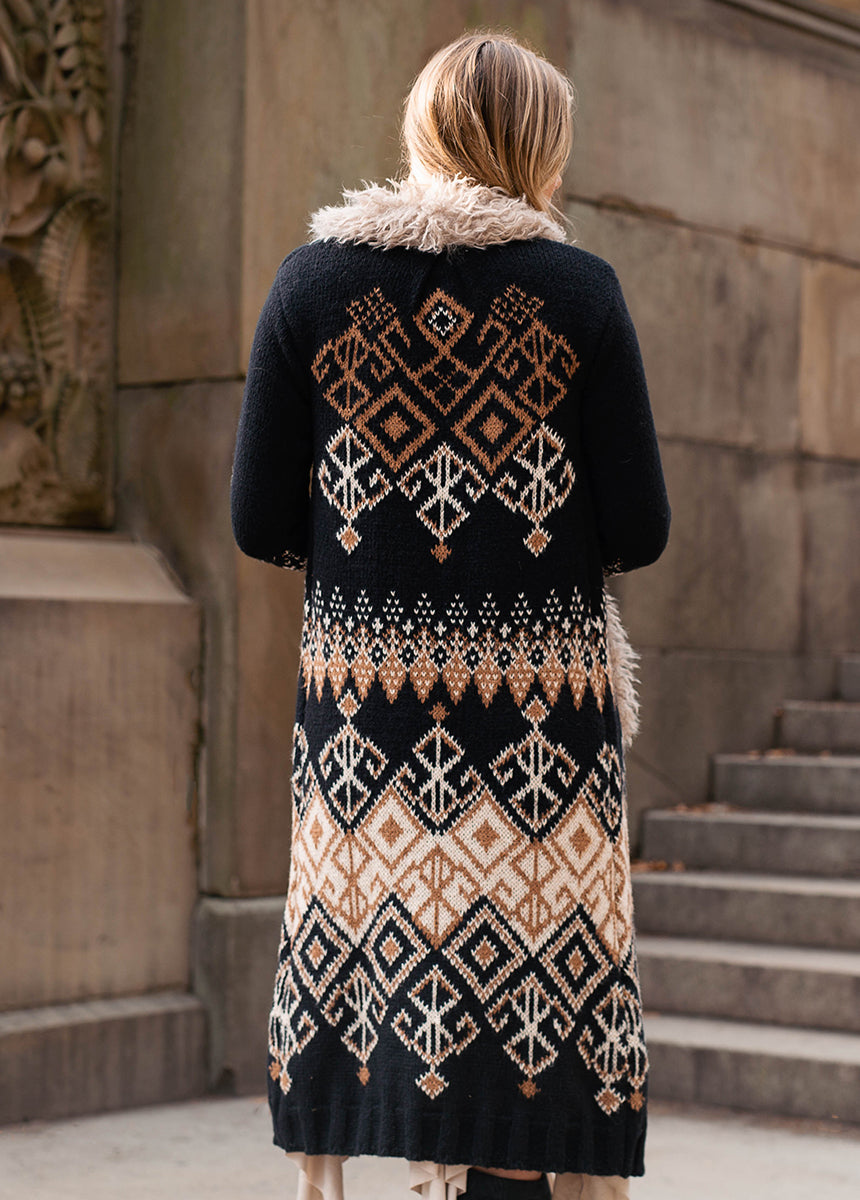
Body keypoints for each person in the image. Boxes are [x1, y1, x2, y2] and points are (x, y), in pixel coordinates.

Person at [230, 28, 670, 1200]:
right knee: (526, 992)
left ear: (420, 133)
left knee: (379, 977)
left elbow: (256, 518)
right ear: (541, 147)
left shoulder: (310, 286)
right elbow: (638, 527)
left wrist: (374, 553)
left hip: (364, 726)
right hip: (534, 727)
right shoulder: (578, 295)